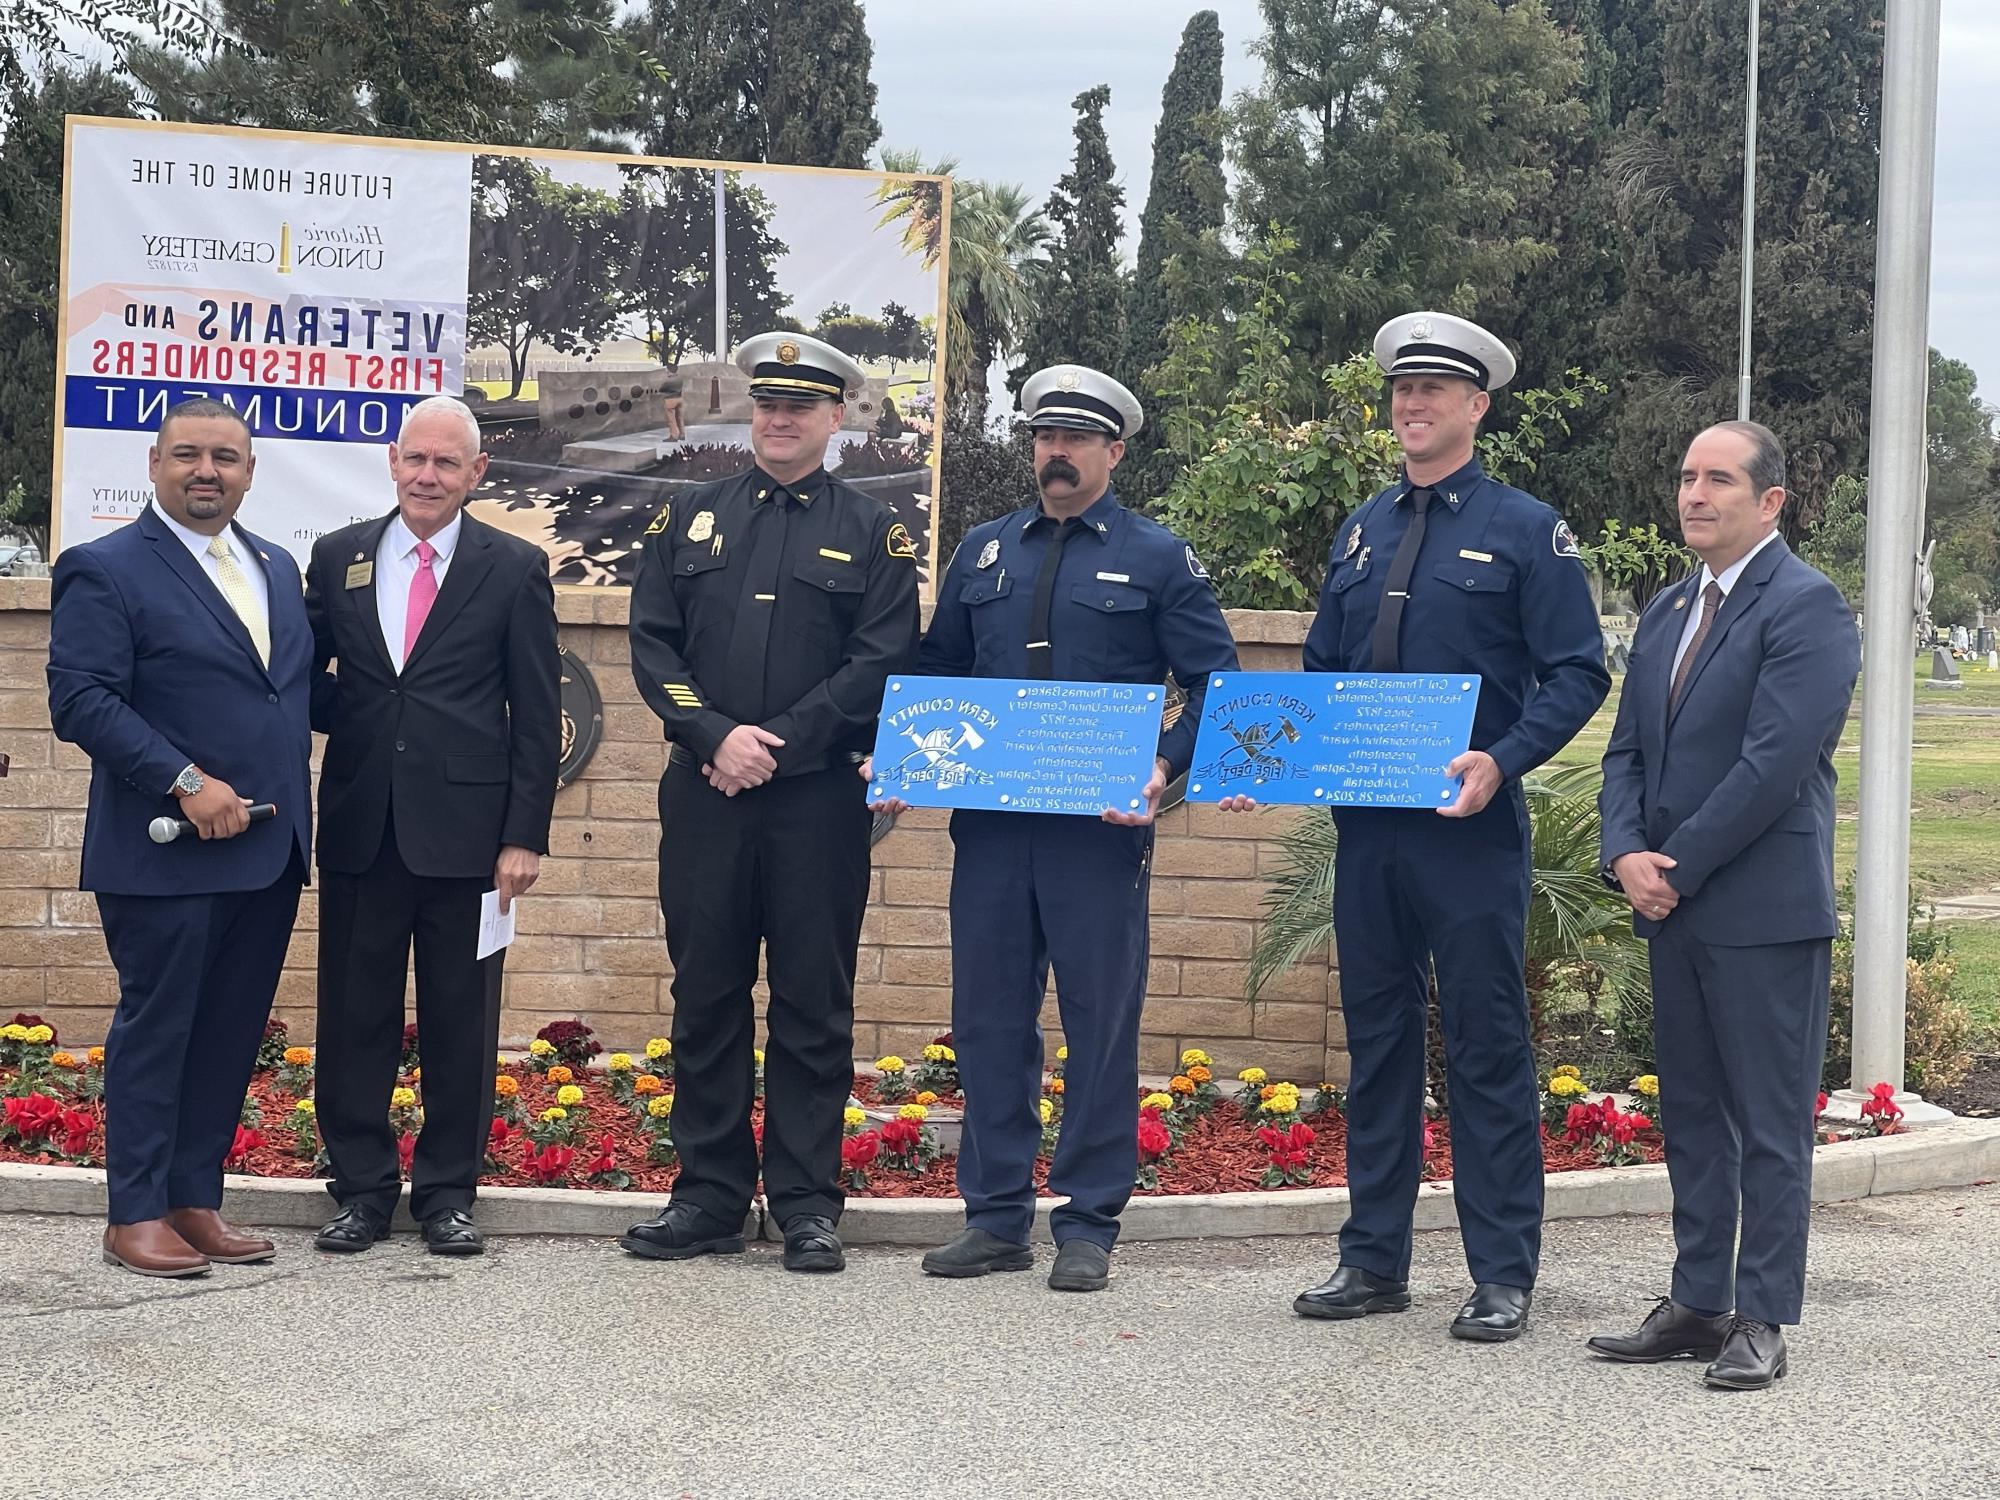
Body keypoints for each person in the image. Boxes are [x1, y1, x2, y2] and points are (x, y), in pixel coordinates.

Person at [1272, 313, 1609, 1339]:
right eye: (1400, 390)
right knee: (1373, 1047)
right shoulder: (1361, 528)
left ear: (1476, 406)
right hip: (1367, 834)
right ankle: (1371, 1259)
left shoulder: (1522, 528)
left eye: (1432, 390)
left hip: (1467, 832)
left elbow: (1577, 671)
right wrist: (1273, 756)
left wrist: (1501, 759)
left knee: (1483, 1046)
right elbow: (1321, 673)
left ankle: (1501, 1270)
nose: (1411, 405)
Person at [888, 364, 1239, 1293]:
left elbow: (1215, 685)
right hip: (995, 833)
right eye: (1045, 437)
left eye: (1077, 439)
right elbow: (941, 673)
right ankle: (996, 1216)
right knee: (990, 1022)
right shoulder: (984, 552)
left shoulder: (1158, 557)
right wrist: (904, 764)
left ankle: (1089, 1222)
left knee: (1100, 1022)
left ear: (1113, 453)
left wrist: (1165, 768)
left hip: (1099, 832)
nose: (1057, 453)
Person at [622, 332, 920, 1273]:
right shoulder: (691, 521)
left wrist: (771, 749)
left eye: (800, 407)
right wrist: (713, 737)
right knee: (704, 996)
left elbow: (876, 665)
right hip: (705, 798)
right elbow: (652, 648)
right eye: (767, 405)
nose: (780, 420)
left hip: (816, 807)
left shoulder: (877, 533)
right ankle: (708, 1195)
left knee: (811, 1002)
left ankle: (804, 1203)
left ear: (836, 419)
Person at [1590, 421, 1859, 1390]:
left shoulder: (1807, 607)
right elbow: (1624, 751)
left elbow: (1771, 766)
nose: (1692, 494)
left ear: (1769, 501)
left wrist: (1673, 865)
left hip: (1758, 910)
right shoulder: (1665, 609)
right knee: (1693, 1116)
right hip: (1672, 908)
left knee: (1767, 1120)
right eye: (1684, 477)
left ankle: (1760, 1316)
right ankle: (1696, 1300)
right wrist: (1623, 851)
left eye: (1716, 479)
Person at [47, 397, 313, 1277]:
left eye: (227, 458)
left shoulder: (274, 567)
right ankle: (135, 1213)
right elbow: (81, 700)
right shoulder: (107, 567)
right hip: (166, 846)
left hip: (267, 850)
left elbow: (288, 696)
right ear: (154, 463)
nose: (209, 471)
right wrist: (185, 780)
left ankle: (195, 1200)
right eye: (190, 455)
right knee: (159, 1028)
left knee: (229, 1030)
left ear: (249, 471)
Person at [304, 395, 560, 1256]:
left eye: (448, 463)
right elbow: (305, 681)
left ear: (477, 474)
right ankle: (363, 1191)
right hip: (360, 831)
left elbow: (536, 710)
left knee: (461, 1019)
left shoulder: (514, 566)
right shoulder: (339, 557)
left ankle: (448, 1192)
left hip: (470, 841)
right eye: (417, 459)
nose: (428, 475)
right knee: (353, 1018)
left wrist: (524, 835)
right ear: (392, 461)